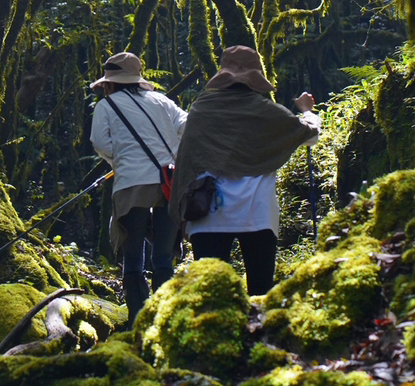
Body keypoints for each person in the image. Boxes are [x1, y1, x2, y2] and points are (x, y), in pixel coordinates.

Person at [169, 45, 321, 295]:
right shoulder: (265, 111)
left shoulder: (201, 109)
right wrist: (306, 110)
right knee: (261, 293)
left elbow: (187, 160)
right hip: (257, 213)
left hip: (208, 213)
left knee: (210, 297)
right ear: (255, 77)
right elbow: (310, 134)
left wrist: (182, 213)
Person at [89, 52, 188, 325]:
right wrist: (173, 154)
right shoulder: (161, 100)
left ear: (110, 82)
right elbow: (187, 125)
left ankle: (137, 321)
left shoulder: (106, 106)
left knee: (133, 258)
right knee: (163, 257)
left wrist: (120, 159)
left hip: (132, 183)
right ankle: (164, 320)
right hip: (169, 182)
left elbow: (99, 143)